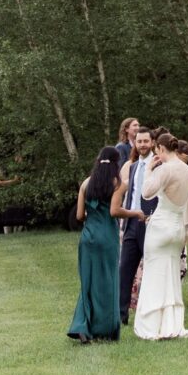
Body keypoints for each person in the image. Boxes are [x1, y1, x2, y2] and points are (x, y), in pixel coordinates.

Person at [134, 130, 188, 340]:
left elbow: (146, 192)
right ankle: (172, 324)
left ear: (160, 149)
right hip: (178, 227)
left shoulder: (164, 169)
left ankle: (151, 326)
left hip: (161, 226)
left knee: (154, 275)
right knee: (171, 277)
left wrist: (150, 171)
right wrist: (185, 229)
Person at [69, 145, 126, 342]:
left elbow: (79, 215)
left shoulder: (86, 183)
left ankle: (82, 326)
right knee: (108, 281)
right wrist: (134, 213)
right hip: (107, 237)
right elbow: (114, 211)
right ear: (116, 163)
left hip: (88, 237)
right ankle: (107, 329)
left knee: (88, 282)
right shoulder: (118, 183)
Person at [117, 124, 154, 319]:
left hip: (150, 222)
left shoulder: (157, 165)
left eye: (146, 141)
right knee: (125, 268)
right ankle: (121, 314)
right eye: (139, 141)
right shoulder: (132, 167)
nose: (142, 144)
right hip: (131, 223)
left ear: (152, 142)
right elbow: (129, 194)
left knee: (151, 269)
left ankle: (148, 312)